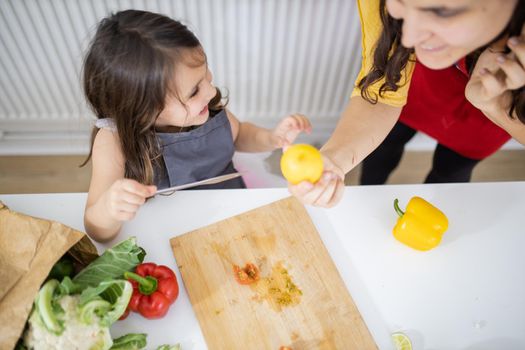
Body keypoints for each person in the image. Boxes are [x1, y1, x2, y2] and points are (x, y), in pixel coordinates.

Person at [82, 10, 311, 242]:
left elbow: (239, 134)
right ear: (142, 112)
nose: (211, 92)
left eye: (207, 77)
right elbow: (96, 231)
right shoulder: (113, 141)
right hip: (171, 232)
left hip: (231, 203)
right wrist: (109, 209)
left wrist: (272, 137)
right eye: (194, 92)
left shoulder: (205, 106)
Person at [289, 0, 525, 207]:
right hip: (416, 93)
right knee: (383, 153)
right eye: (400, 4)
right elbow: (381, 93)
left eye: (441, 11)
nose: (409, 38)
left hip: (480, 128)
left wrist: (497, 108)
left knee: (449, 175)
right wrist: (334, 159)